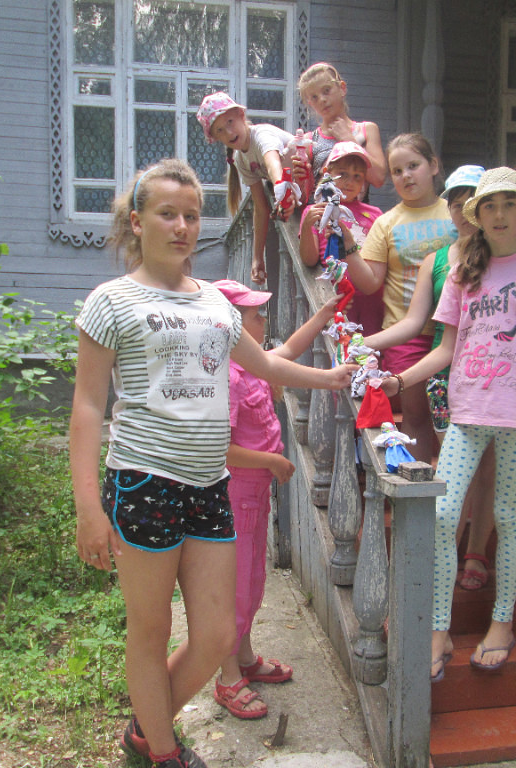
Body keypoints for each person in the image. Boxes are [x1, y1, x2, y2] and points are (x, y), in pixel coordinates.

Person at [70, 159, 355, 768]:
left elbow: (267, 364)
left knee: (218, 635)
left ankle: (145, 731)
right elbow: (88, 408)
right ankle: (163, 753)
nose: (182, 227)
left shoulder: (217, 305)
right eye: (167, 214)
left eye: (192, 216)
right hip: (143, 482)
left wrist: (331, 378)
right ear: (136, 221)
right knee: (150, 629)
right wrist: (88, 508)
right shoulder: (111, 301)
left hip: (208, 485)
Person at [377, 167, 516, 682]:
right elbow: (445, 348)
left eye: (509, 204)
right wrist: (398, 381)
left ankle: (501, 625)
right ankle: (439, 629)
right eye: (489, 206)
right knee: (444, 516)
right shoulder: (462, 274)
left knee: (507, 517)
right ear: (477, 216)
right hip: (466, 412)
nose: (499, 214)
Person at [210, 279, 341, 720]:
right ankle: (228, 676)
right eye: (255, 314)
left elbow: (287, 353)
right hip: (237, 494)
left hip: (255, 494)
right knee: (235, 586)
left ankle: (245, 657)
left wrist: (321, 317)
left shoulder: (253, 364)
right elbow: (220, 449)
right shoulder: (225, 377)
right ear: (228, 326)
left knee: (251, 579)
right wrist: (272, 461)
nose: (264, 320)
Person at [361, 165, 495, 590]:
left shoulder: (505, 260)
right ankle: (442, 559)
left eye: (472, 203)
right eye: (456, 204)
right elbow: (414, 321)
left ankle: (475, 550)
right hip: (443, 376)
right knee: (454, 466)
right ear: (449, 210)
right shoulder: (436, 261)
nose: (463, 212)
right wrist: (364, 343)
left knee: (488, 466)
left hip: (494, 375)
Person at [341, 133, 457, 460]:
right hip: (406, 332)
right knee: (417, 415)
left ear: (433, 166)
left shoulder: (456, 213)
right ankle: (420, 481)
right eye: (396, 171)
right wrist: (349, 244)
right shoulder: (386, 223)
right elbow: (370, 283)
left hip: (455, 330)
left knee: (455, 416)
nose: (406, 175)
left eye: (413, 166)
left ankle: (456, 481)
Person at [197, 91, 297, 287]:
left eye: (230, 122)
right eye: (220, 130)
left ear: (241, 115)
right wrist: (257, 257)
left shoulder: (261, 136)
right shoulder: (241, 159)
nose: (228, 133)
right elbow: (260, 207)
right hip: (297, 194)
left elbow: (272, 163)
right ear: (216, 138)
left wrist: (281, 190)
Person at [299, 141, 384, 336]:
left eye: (357, 176)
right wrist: (306, 227)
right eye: (342, 174)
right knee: (340, 345)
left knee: (371, 346)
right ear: (328, 173)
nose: (349, 182)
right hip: (336, 295)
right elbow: (309, 259)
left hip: (371, 298)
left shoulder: (375, 214)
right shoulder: (316, 211)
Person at [297, 62, 386, 190]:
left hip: (357, 204)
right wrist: (300, 180)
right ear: (310, 103)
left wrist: (350, 141)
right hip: (322, 203)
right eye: (314, 97)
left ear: (342, 88)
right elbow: (305, 196)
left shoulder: (366, 130)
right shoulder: (310, 141)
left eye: (326, 91)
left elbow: (379, 178)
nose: (322, 99)